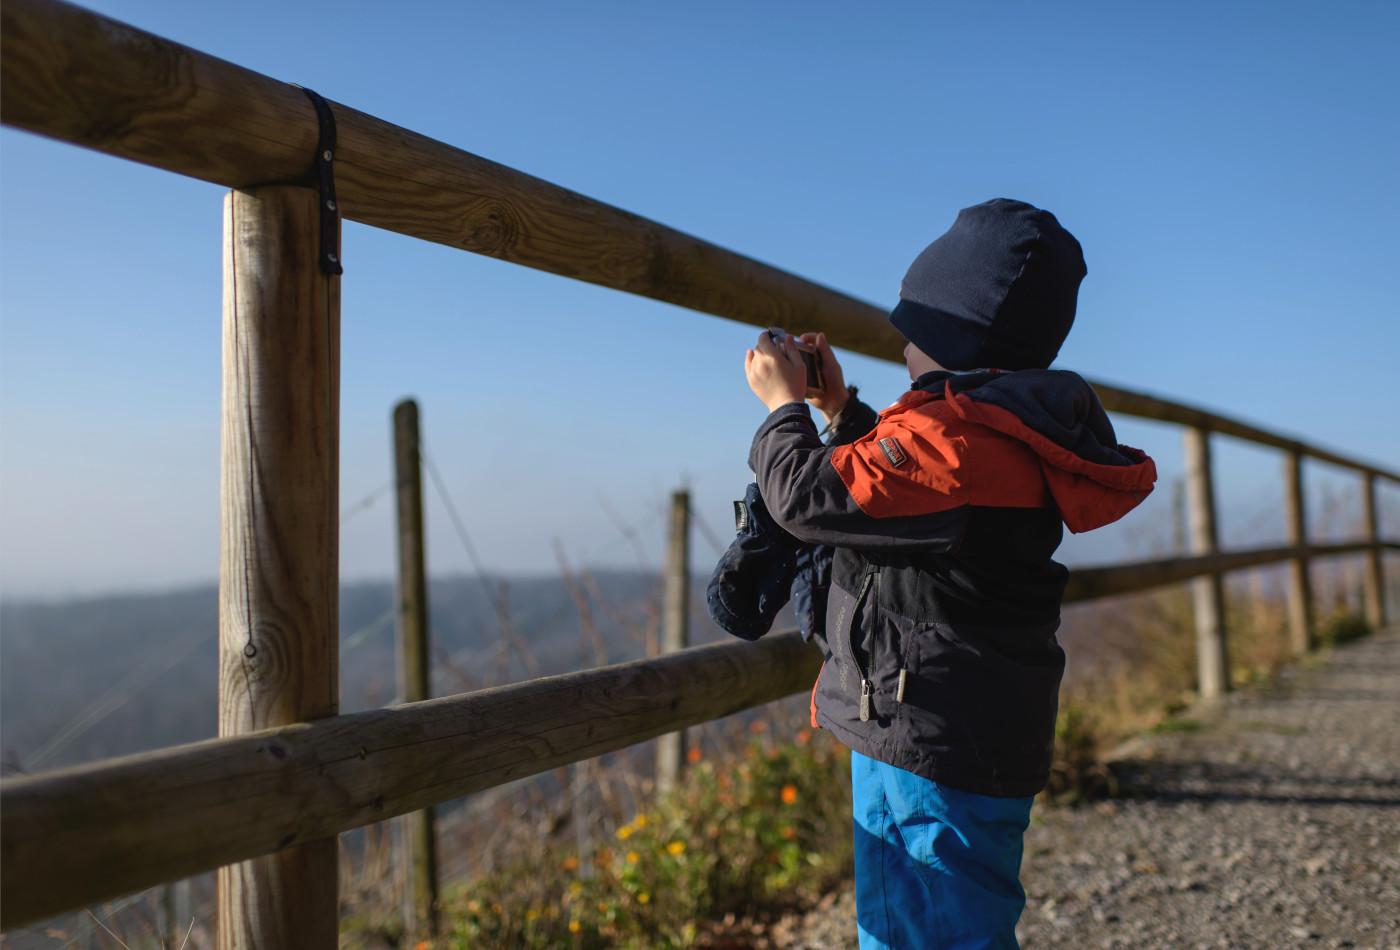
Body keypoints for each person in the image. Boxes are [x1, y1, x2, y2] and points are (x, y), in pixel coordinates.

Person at [740, 198, 1157, 949]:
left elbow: (811, 499)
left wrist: (783, 408)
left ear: (950, 337)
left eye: (912, 334)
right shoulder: (1007, 429)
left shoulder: (953, 440)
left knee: (919, 927)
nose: (903, 352)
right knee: (962, 922)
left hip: (923, 734)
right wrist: (841, 412)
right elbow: (910, 507)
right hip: (974, 726)